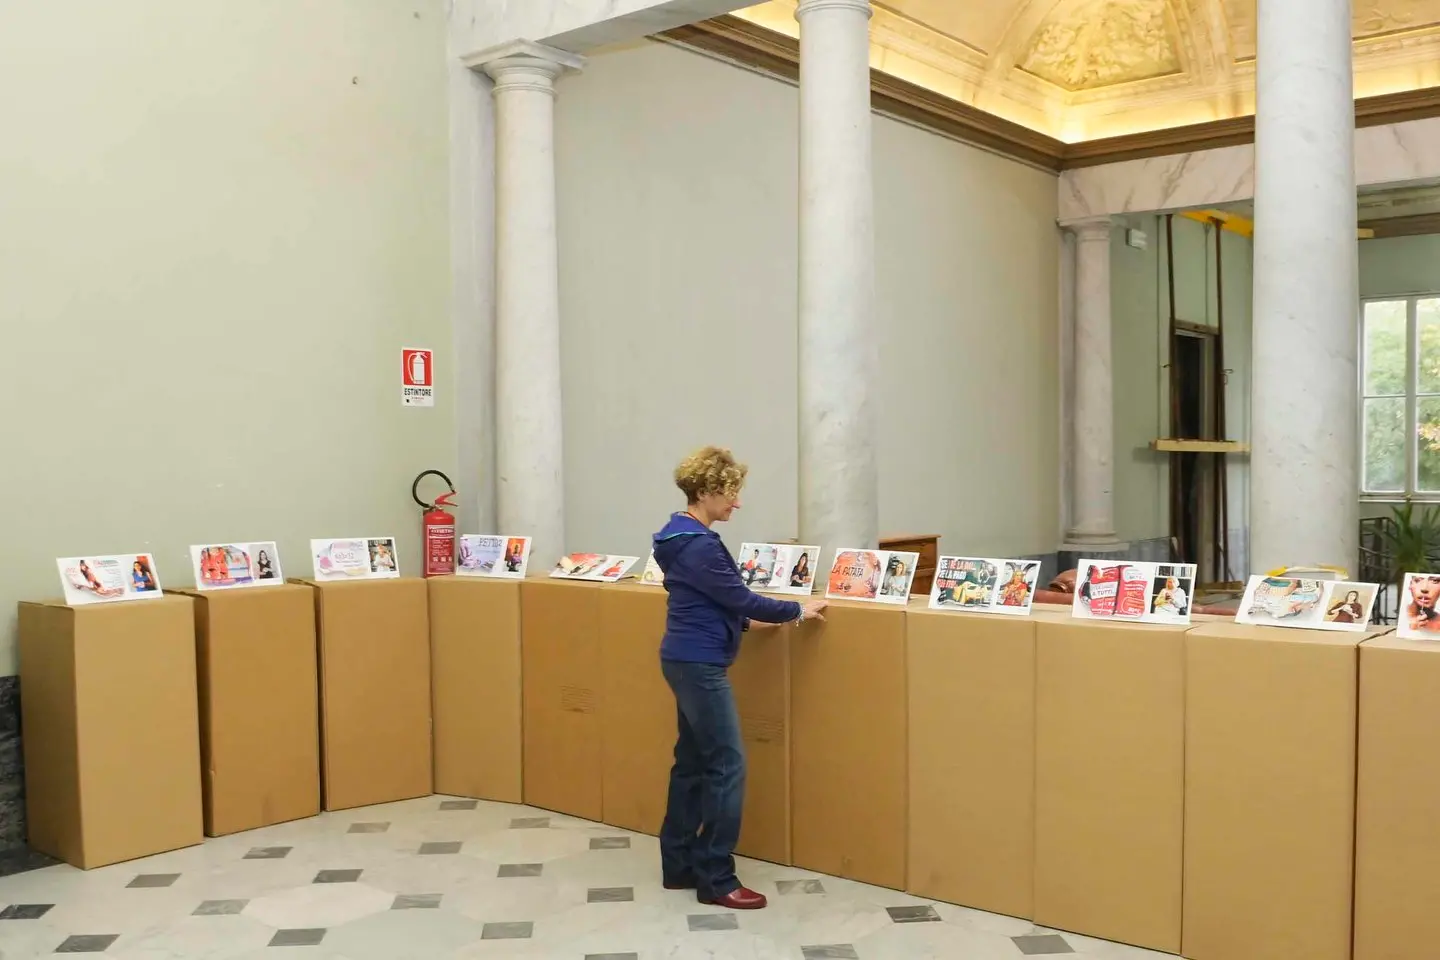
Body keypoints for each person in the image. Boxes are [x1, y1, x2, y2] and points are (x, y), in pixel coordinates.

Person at [652, 446, 826, 911]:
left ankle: (679, 863)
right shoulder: (701, 545)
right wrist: (795, 611)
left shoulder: (675, 536)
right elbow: (738, 597)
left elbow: (706, 601)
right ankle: (716, 877)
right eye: (731, 493)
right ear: (706, 492)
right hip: (700, 665)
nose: (737, 503)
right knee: (728, 766)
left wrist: (749, 624)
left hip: (683, 657)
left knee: (690, 764)